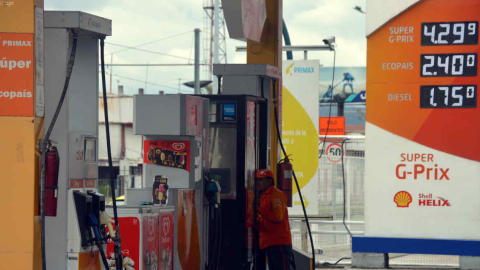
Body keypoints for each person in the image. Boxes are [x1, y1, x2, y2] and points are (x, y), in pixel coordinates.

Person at [256, 169, 295, 270]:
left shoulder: (276, 194)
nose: (258, 183)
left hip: (279, 243)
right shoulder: (263, 196)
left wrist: (259, 209)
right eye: (257, 180)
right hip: (270, 243)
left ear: (269, 181)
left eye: (261, 180)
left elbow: (278, 217)